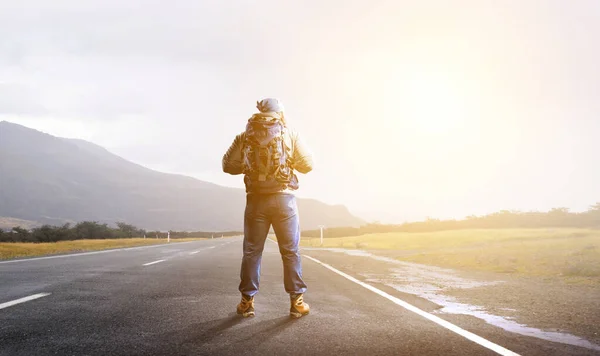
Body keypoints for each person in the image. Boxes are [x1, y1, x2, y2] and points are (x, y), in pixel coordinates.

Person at [222, 98, 314, 318]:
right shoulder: (289, 134)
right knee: (290, 252)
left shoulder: (244, 136)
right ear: (280, 113)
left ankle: (246, 303)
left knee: (252, 252)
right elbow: (308, 165)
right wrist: (288, 164)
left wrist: (249, 168)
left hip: (256, 201)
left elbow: (227, 166)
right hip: (284, 201)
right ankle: (297, 303)